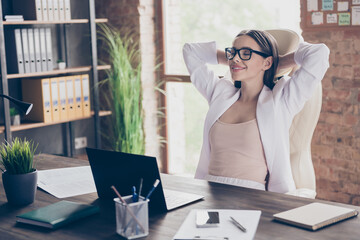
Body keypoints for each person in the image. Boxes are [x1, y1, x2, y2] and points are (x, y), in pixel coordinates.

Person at [182, 29, 330, 193]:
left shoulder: (281, 101)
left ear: (267, 63)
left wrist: (278, 62)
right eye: (233, 52)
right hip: (208, 193)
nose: (236, 58)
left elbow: (319, 54)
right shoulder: (220, 94)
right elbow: (191, 51)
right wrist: (236, 61)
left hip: (252, 199)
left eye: (246, 53)